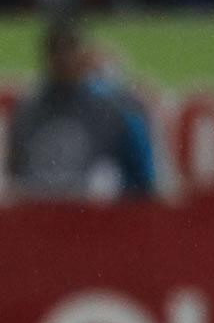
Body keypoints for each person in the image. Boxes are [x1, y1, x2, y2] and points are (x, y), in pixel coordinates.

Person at [7, 18, 155, 200]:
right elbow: (15, 172)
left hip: (96, 219)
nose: (63, 59)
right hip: (43, 213)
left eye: (69, 49)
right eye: (57, 51)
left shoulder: (113, 110)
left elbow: (142, 181)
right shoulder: (27, 110)